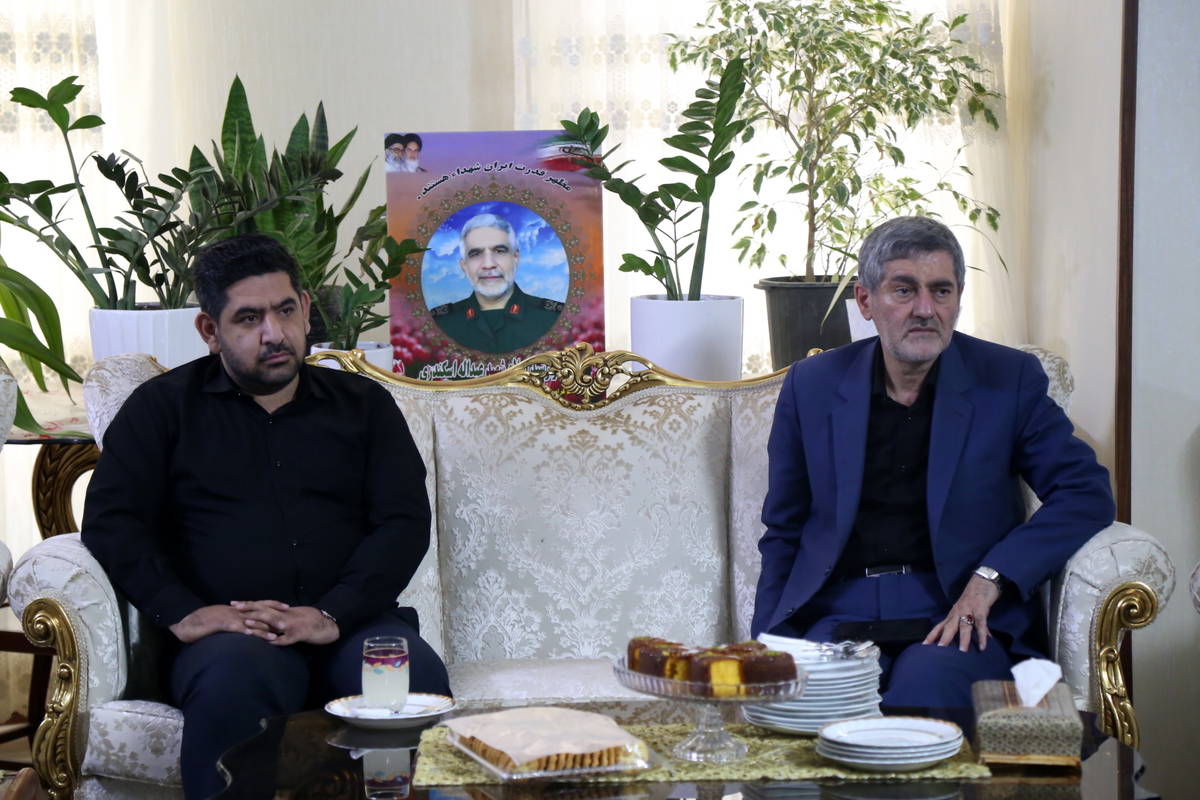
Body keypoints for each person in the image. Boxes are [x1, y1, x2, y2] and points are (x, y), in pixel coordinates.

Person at [81, 234, 450, 799]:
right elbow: (112, 521)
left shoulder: (363, 405)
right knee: (233, 683)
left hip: (350, 622)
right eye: (249, 318)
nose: (274, 333)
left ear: (305, 307)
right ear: (210, 331)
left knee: (410, 679)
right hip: (233, 636)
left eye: (284, 311)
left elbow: (402, 522)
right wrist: (183, 612)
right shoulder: (162, 409)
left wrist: (331, 612)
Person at [751, 216, 1115, 708]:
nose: (925, 309)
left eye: (941, 291)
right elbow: (784, 528)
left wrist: (991, 579)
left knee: (924, 695)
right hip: (838, 615)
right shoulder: (811, 385)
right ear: (865, 301)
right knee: (814, 709)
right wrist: (764, 644)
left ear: (958, 298)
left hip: (955, 612)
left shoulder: (1007, 380)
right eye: (904, 290)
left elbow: (1085, 492)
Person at [430, 212, 564, 353]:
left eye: (499, 251)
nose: (488, 264)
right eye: (476, 254)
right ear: (464, 266)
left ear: (515, 258)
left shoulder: (555, 319)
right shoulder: (438, 324)